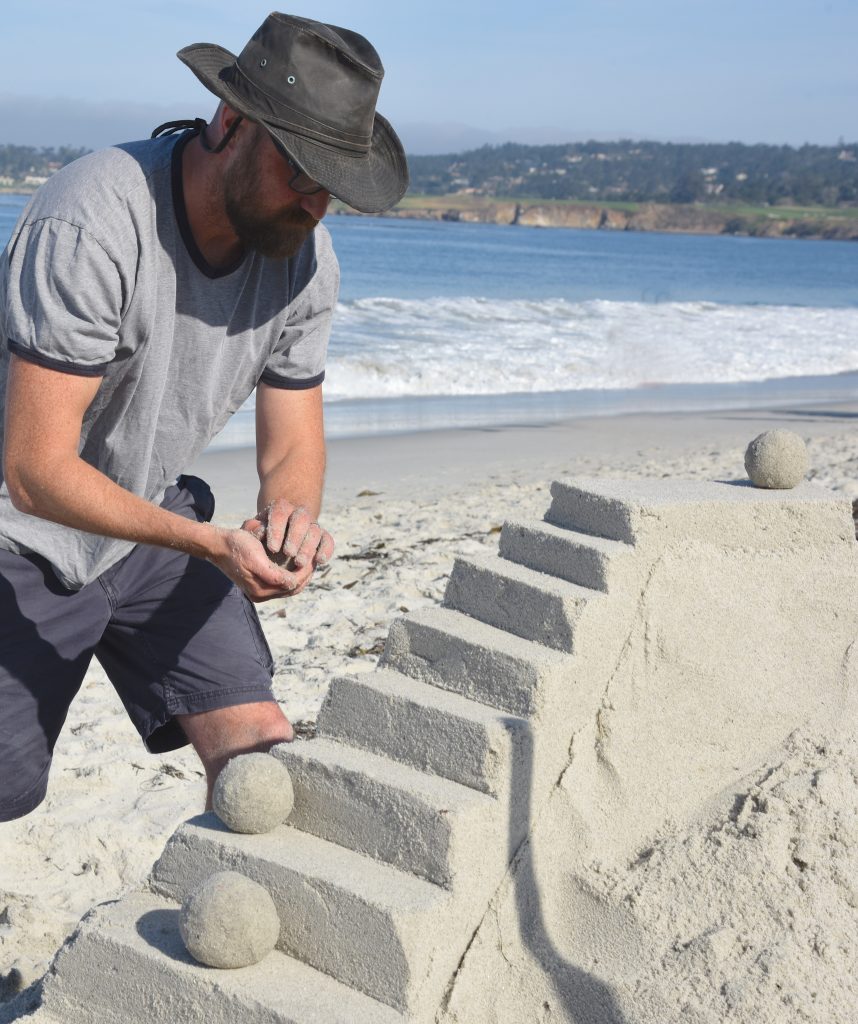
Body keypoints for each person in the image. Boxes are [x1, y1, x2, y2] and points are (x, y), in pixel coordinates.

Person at [0, 12, 408, 822]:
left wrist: (291, 522)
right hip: (18, 532)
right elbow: (34, 474)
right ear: (231, 122)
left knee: (262, 748)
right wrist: (211, 542)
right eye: (300, 169)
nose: (314, 202)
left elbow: (292, 437)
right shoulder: (94, 220)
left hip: (148, 524)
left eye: (333, 183)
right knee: (8, 790)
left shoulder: (306, 260)